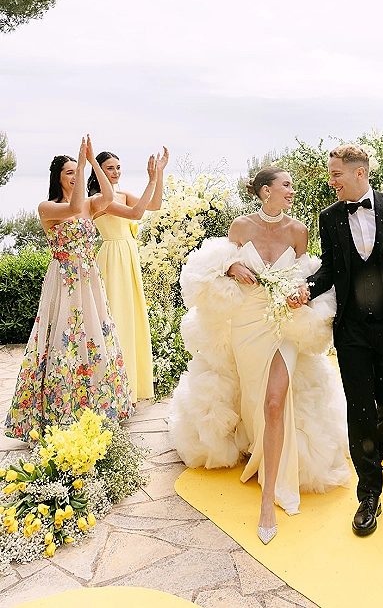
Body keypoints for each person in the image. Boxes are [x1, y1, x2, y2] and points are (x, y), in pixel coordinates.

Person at [169, 167, 350, 545]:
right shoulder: (240, 226)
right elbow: (210, 265)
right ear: (266, 191)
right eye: (287, 185)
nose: (292, 191)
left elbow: (306, 276)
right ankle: (256, 449)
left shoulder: (299, 231)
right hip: (245, 323)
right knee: (252, 397)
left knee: (273, 402)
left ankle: (269, 498)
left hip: (282, 322)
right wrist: (232, 266)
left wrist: (301, 293)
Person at [293, 145, 383, 537]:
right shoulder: (330, 217)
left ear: (359, 174)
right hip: (351, 327)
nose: (330, 181)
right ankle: (369, 494)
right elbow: (330, 271)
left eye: (336, 174)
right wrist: (306, 288)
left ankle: (371, 445)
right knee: (359, 406)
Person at [5, 136, 133, 442]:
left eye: (78, 173)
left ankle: (99, 407)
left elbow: (109, 193)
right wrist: (79, 155)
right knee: (62, 339)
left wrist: (91, 163)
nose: (75, 177)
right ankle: (60, 410)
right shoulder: (47, 207)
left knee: (95, 336)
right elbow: (74, 205)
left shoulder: (91, 204)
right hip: (63, 280)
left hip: (89, 278)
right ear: (57, 178)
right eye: (69, 173)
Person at [87, 147, 169, 403]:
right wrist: (151, 180)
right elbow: (136, 214)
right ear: (98, 170)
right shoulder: (100, 199)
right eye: (109, 168)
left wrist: (159, 174)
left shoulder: (122, 194)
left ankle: (133, 384)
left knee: (132, 317)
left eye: (118, 167)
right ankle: (114, 387)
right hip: (113, 256)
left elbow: (154, 205)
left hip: (128, 256)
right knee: (118, 317)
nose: (115, 172)